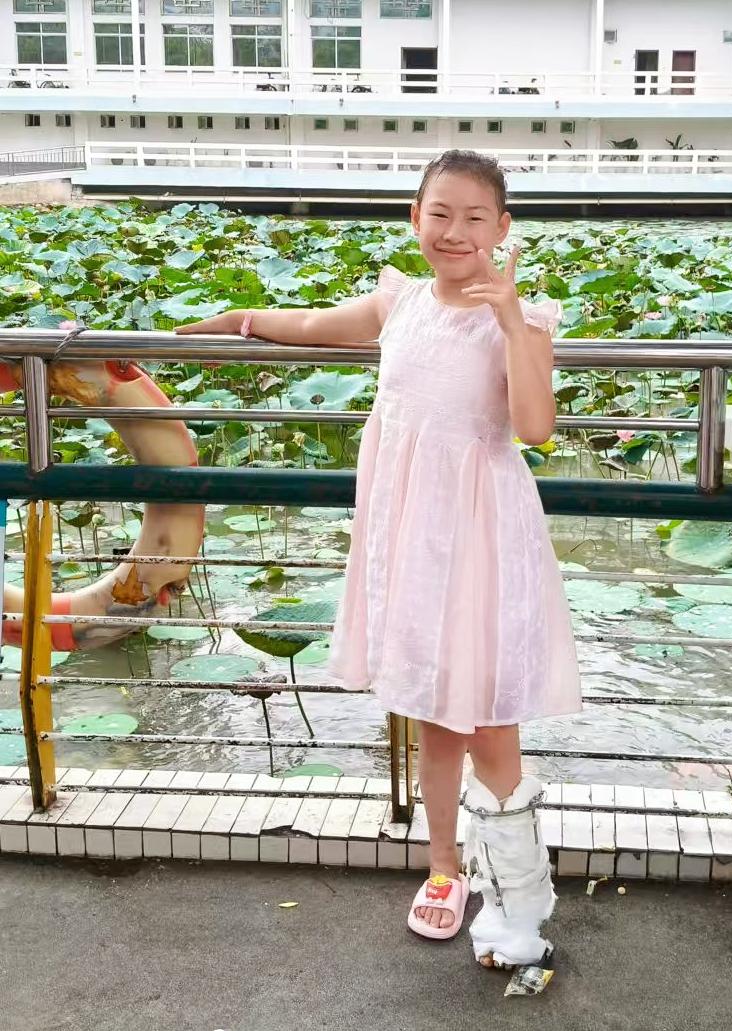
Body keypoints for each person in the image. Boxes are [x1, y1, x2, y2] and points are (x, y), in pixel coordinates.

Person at [176, 149, 582, 970]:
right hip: (411, 538)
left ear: (503, 228)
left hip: (481, 537)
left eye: (475, 217)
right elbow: (313, 325)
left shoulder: (525, 319)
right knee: (434, 712)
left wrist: (511, 320)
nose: (455, 231)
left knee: (490, 721)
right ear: (415, 218)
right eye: (441, 213)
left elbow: (535, 426)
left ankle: (518, 898)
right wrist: (240, 321)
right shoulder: (400, 301)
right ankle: (445, 868)